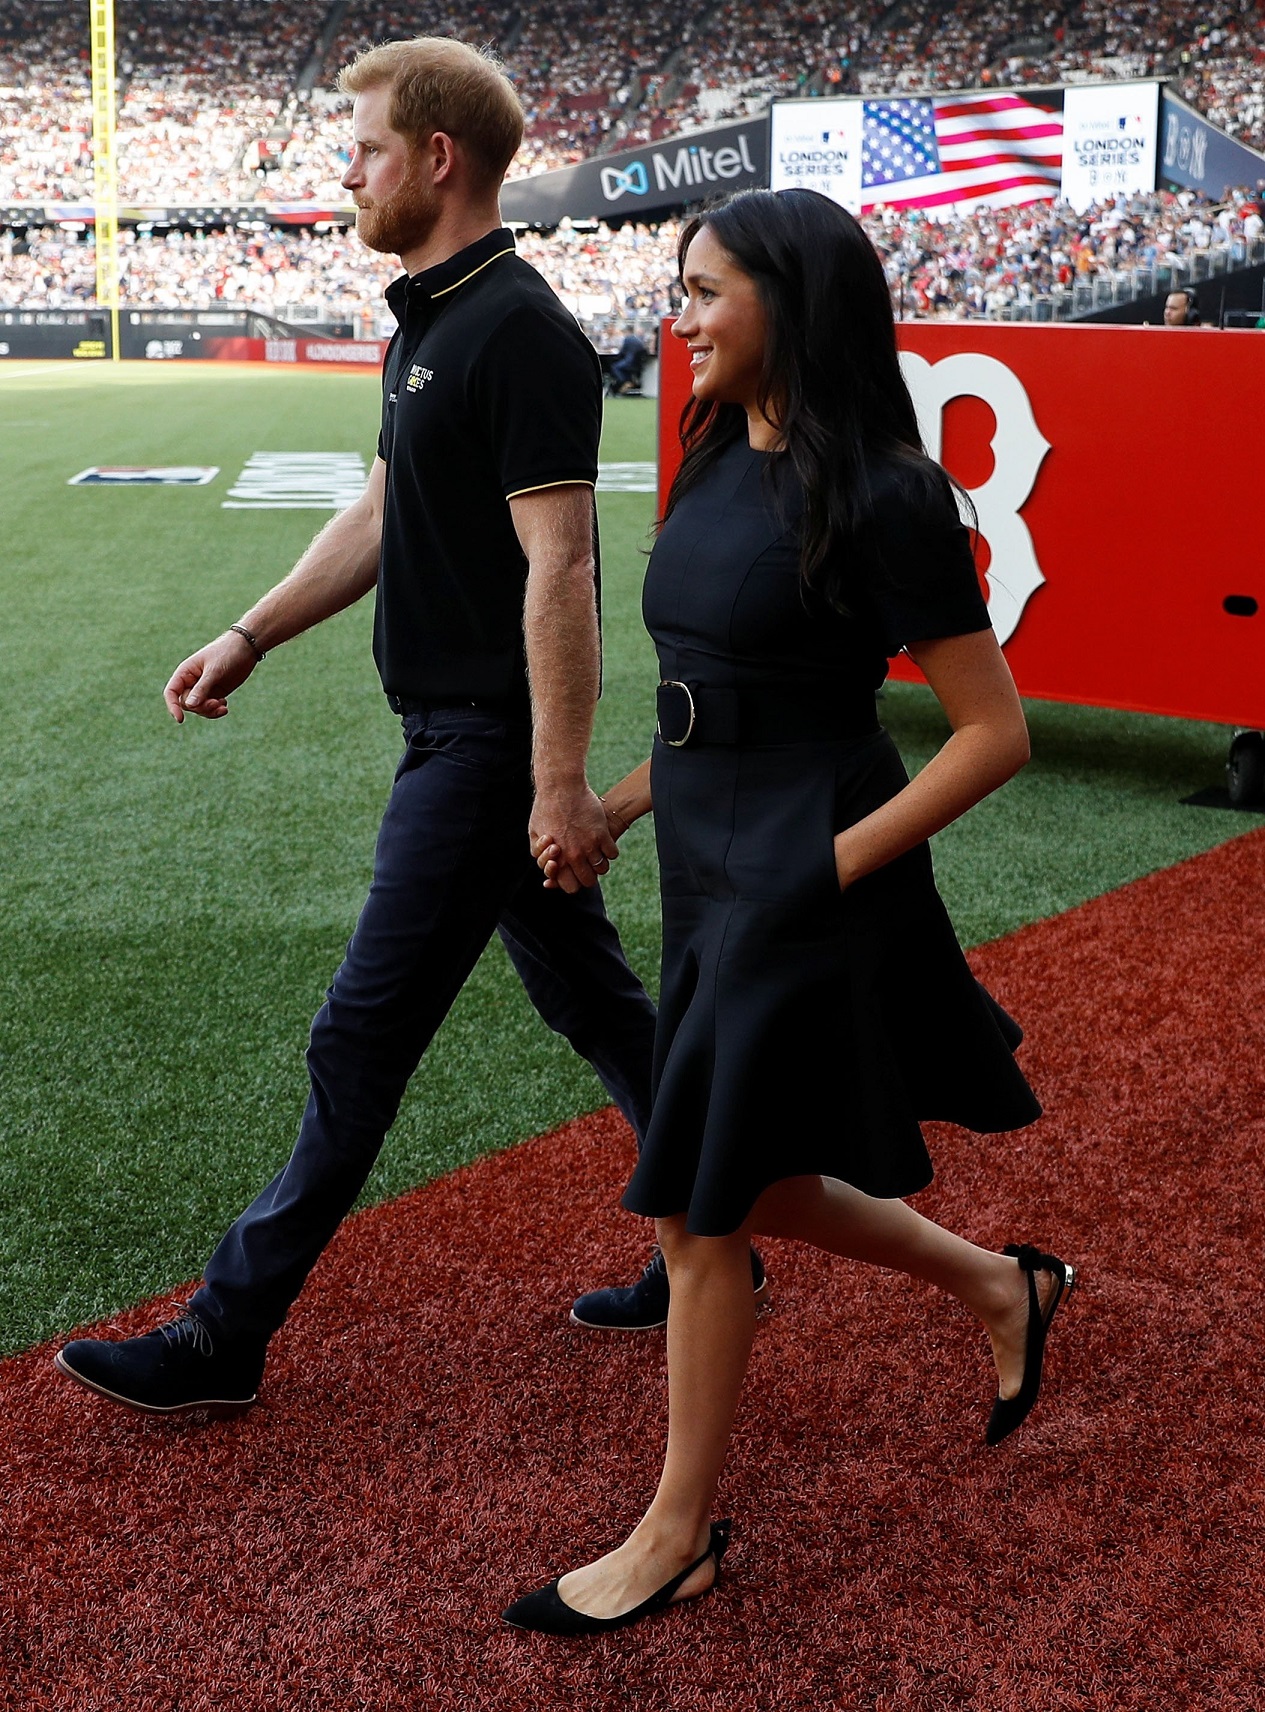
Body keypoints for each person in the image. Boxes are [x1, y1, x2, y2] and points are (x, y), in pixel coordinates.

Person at [52, 37, 761, 1416]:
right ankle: (712, 1244)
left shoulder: (520, 330)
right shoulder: (433, 319)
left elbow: (564, 568)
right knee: (597, 1002)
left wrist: (558, 786)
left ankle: (224, 1332)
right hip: (454, 736)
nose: (346, 172)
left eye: (364, 148)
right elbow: (382, 509)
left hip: (485, 752)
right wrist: (252, 632)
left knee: (357, 1040)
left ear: (437, 159)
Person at [505, 188, 1077, 1636]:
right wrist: (621, 805)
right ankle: (1000, 1288)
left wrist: (820, 869)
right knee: (739, 1181)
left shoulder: (886, 491)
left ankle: (677, 1533)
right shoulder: (709, 453)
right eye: (677, 289)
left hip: (804, 878)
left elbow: (988, 735)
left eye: (704, 290)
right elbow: (717, 692)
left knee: (702, 1212)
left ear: (792, 302)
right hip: (706, 860)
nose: (677, 316)